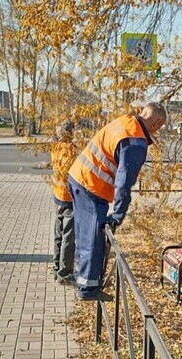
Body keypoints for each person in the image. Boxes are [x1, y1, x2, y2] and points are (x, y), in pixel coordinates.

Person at [68, 102, 167, 300]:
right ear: (156, 123)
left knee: (83, 232)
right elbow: (124, 183)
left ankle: (82, 278)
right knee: (94, 238)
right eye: (160, 127)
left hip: (79, 177)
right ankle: (88, 289)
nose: (157, 131)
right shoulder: (135, 142)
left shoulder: (125, 121)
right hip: (92, 186)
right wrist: (118, 215)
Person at [50, 120, 77, 284]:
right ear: (71, 133)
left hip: (58, 195)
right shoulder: (72, 152)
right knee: (68, 236)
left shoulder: (56, 148)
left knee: (59, 233)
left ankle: (56, 268)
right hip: (69, 197)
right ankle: (65, 273)